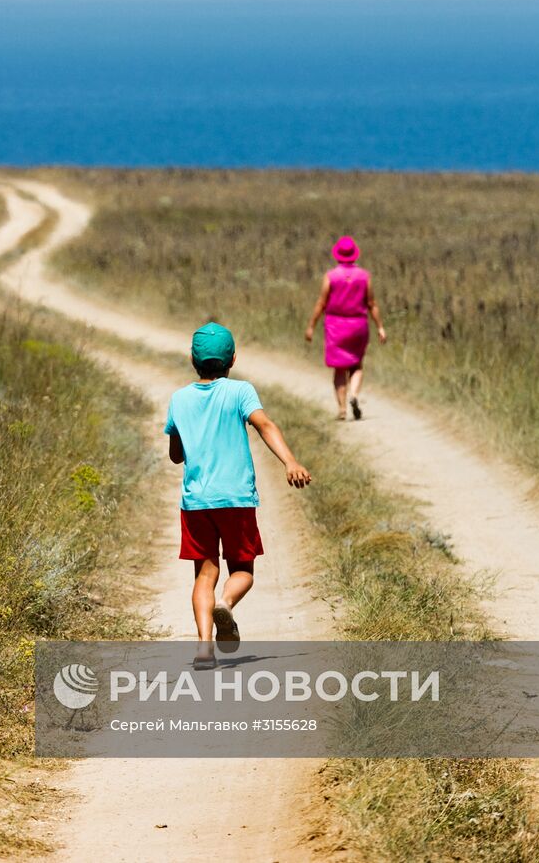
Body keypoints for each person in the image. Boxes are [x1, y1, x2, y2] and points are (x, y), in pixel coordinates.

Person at [165, 322, 312, 669]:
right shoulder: (240, 391)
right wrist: (290, 460)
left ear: (192, 359)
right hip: (236, 499)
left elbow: (176, 455)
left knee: (205, 573)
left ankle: (203, 650)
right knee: (243, 569)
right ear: (232, 359)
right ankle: (227, 603)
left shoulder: (179, 399)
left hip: (197, 502)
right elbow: (265, 425)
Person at [304, 235, 386, 420]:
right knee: (356, 364)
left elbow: (321, 303)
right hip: (358, 325)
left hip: (335, 326)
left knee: (339, 368)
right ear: (355, 255)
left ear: (337, 255)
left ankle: (342, 409)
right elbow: (372, 304)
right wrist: (380, 327)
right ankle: (354, 395)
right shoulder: (364, 276)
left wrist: (311, 326)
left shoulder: (331, 276)